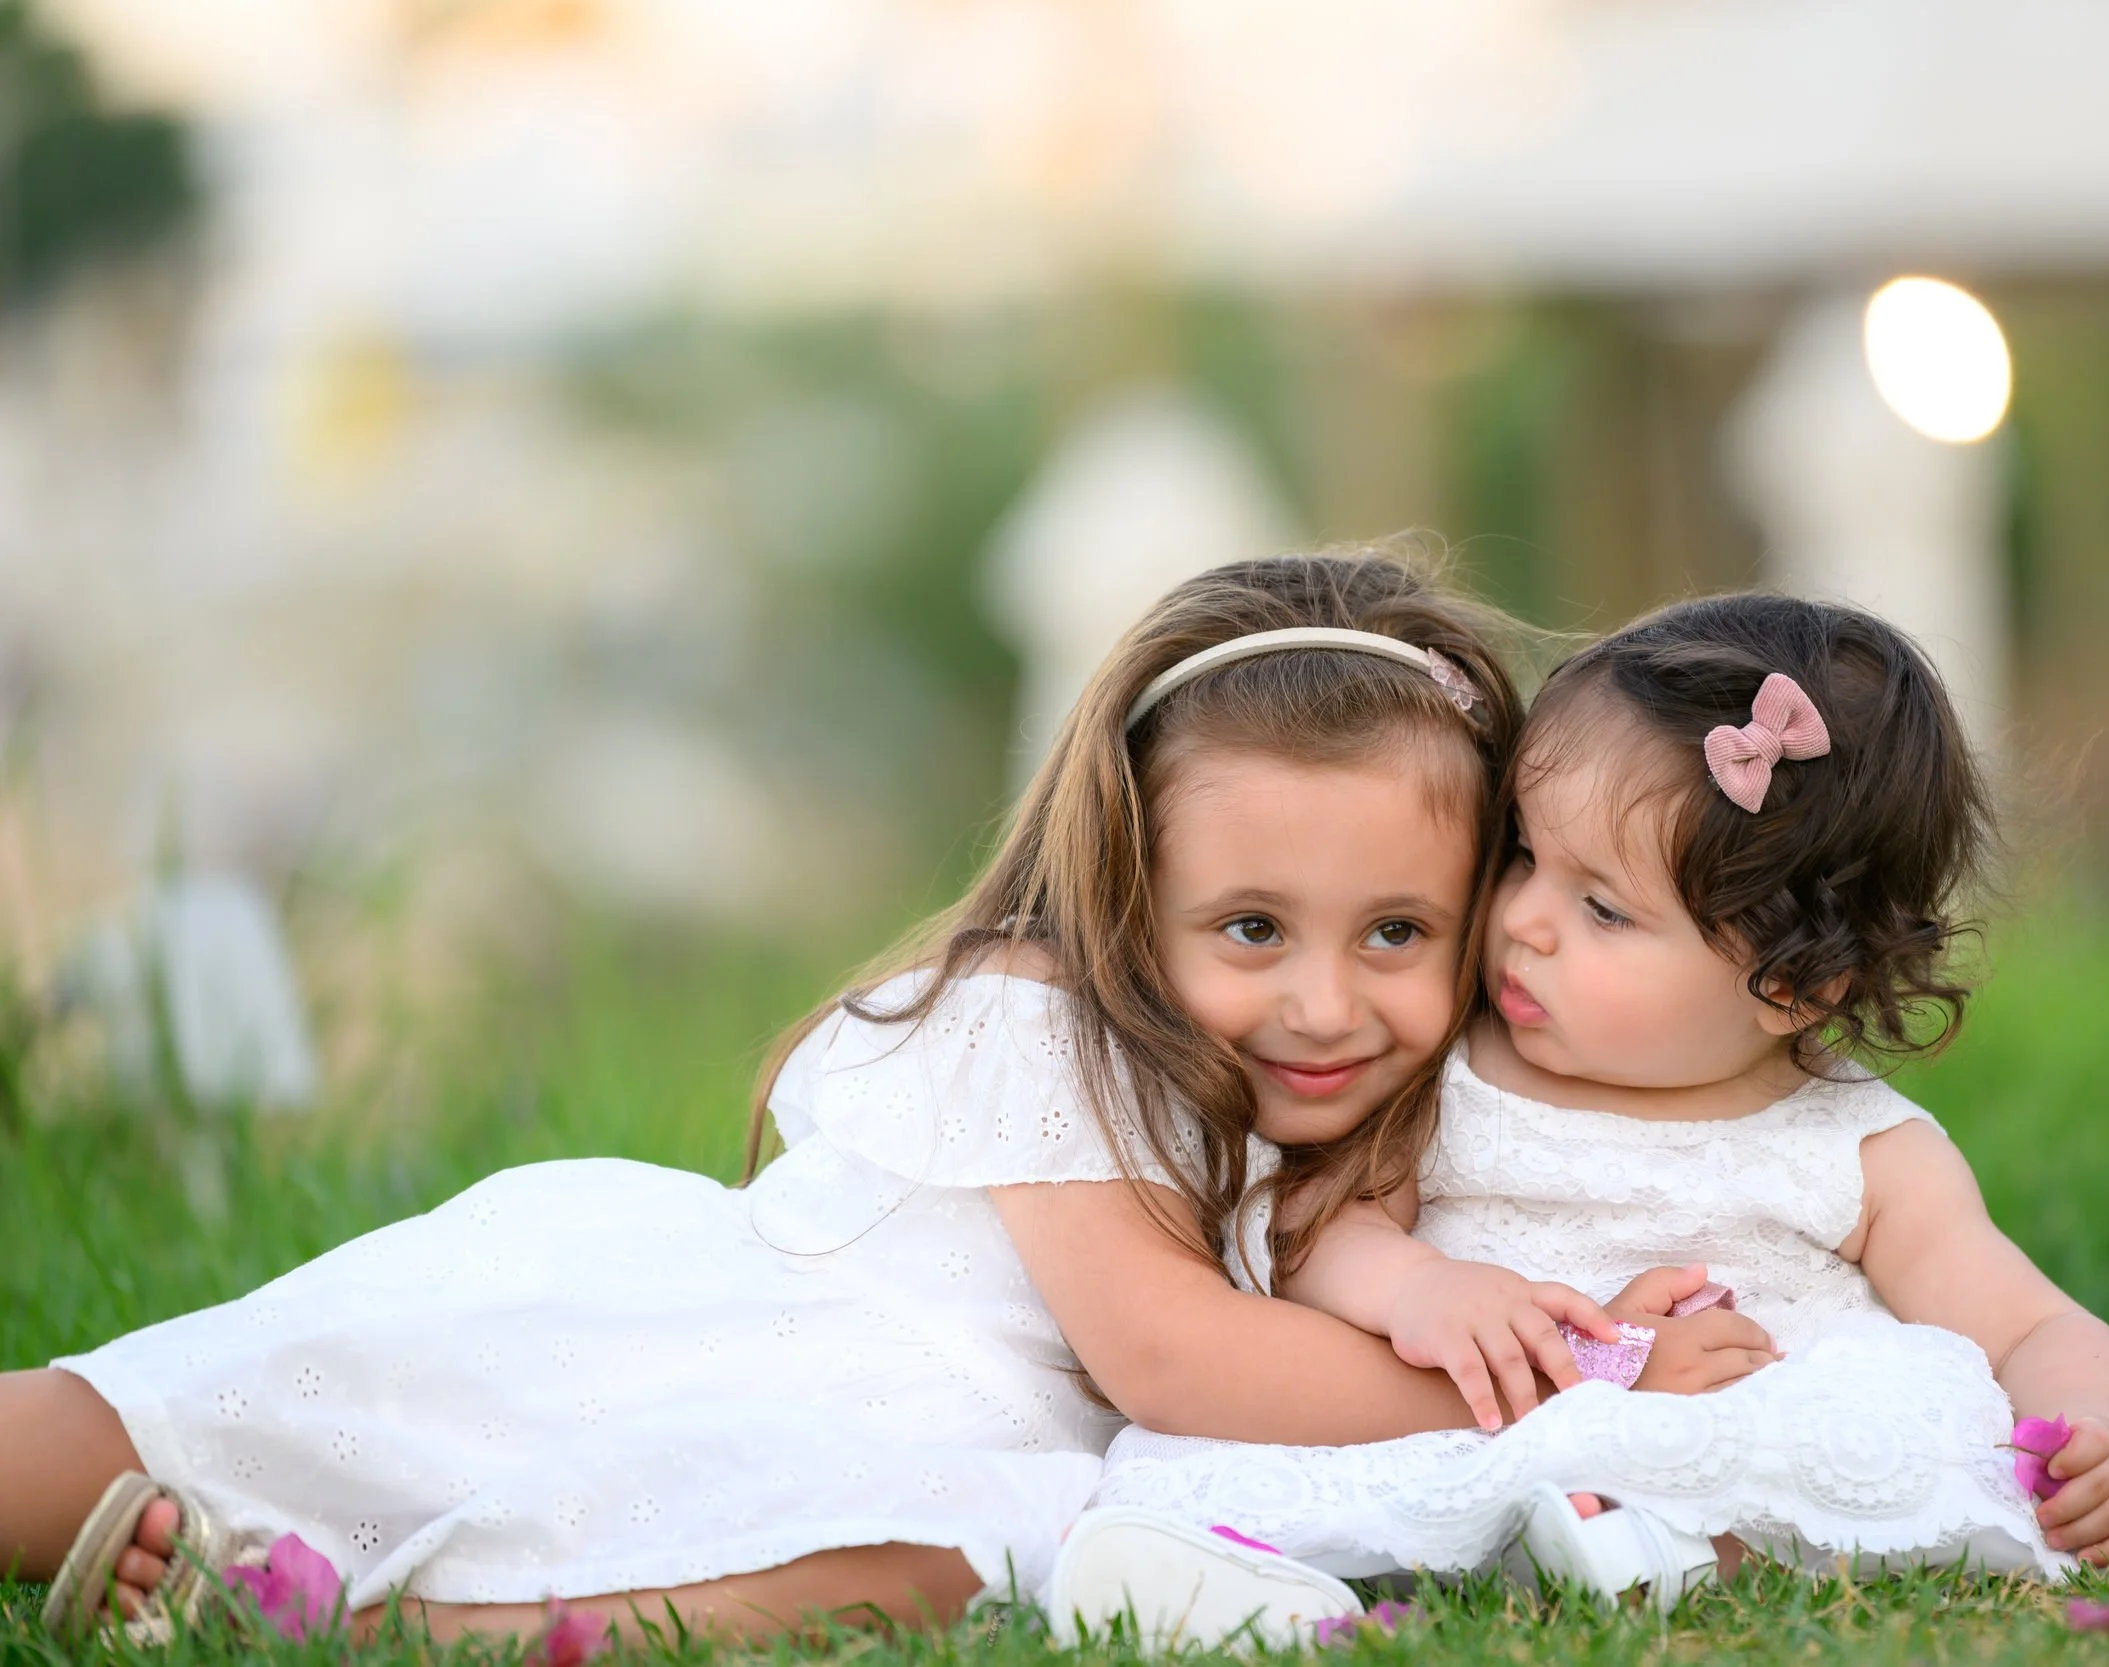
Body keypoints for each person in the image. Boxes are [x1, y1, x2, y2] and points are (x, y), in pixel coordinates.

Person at [3, 551, 1607, 1649]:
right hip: (690, 1320)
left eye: (1397, 931)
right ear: (1130, 893)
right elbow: (1172, 1352)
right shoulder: (1037, 1016)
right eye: (1252, 928)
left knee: (918, 1560)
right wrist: (1578, 1388)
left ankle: (350, 1621)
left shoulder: (1356, 1116)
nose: (1327, 1003)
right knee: (202, 1417)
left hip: (938, 1455)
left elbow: (1350, 1281)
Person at [1079, 593, 2109, 1618]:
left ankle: (1645, 1542)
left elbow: (2025, 1324)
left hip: (1756, 1409)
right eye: (1523, 851)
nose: (1518, 918)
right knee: (1397, 1476)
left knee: (1832, 1443)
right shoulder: (1450, 1062)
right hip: (1503, 1411)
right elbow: (1318, 1228)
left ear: (1793, 983)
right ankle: (1509, 1542)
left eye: (1602, 906)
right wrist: (1417, 1288)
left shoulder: (1860, 1149)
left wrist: (2097, 1424)